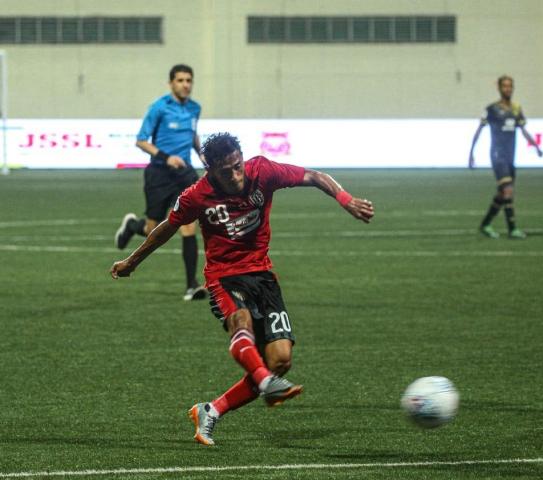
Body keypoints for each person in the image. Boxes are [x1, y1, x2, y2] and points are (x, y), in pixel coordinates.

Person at [110, 132, 375, 446]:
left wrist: (346, 200)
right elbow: (167, 227)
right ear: (210, 170)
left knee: (280, 360)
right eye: (227, 171)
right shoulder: (198, 194)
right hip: (224, 277)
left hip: (263, 276)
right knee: (242, 324)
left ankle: (212, 409)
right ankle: (264, 382)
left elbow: (314, 176)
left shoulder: (263, 171)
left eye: (238, 165)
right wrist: (133, 261)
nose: (236, 175)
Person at [114, 64, 206, 301]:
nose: (185, 84)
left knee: (188, 226)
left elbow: (193, 135)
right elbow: (141, 141)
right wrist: (166, 157)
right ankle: (134, 225)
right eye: (180, 80)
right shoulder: (158, 107)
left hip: (185, 174)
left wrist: (203, 155)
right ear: (171, 83)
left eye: (189, 80)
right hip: (159, 174)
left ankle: (191, 285)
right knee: (151, 229)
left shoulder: (195, 108)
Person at [468, 75, 543, 239]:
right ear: (499, 88)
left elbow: (523, 131)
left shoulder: (516, 109)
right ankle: (512, 229)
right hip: (497, 155)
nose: (507, 89)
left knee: (503, 194)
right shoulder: (491, 109)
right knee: (508, 189)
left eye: (510, 86)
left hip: (510, 157)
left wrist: (536, 147)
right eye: (505, 86)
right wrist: (471, 153)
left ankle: (485, 224)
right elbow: (479, 130)